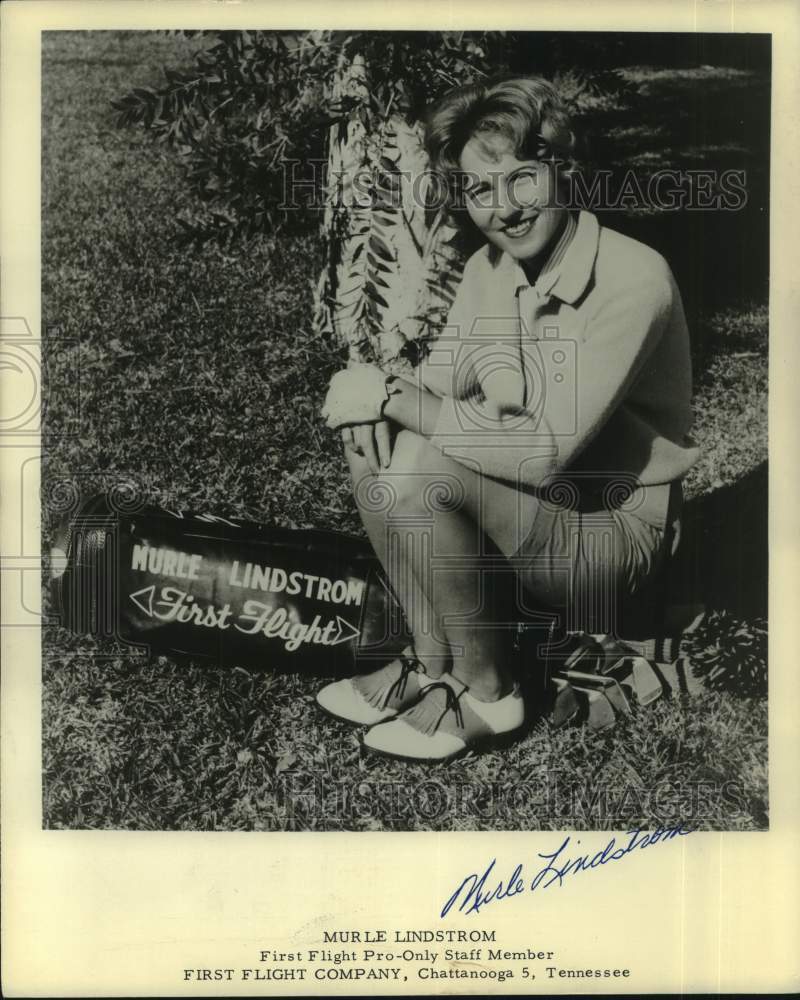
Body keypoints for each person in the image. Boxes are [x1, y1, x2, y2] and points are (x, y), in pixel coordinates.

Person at [316, 76, 700, 763]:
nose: (503, 209)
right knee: (372, 439)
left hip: (610, 538)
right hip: (530, 512)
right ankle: (432, 661)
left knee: (419, 460)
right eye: (479, 190)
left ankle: (490, 693)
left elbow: (543, 452)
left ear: (564, 170)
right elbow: (433, 384)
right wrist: (373, 391)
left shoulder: (635, 277)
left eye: (521, 179)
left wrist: (396, 399)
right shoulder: (491, 269)